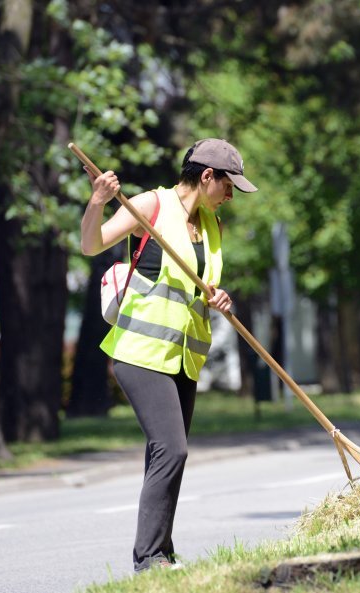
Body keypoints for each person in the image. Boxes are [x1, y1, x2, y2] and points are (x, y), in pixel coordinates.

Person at [80, 139, 258, 571]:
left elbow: (200, 285)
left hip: (183, 357)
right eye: (229, 185)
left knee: (164, 455)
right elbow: (92, 244)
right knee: (172, 450)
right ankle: (148, 559)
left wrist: (220, 299)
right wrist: (97, 202)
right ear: (207, 176)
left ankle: (162, 551)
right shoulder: (150, 206)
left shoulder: (211, 225)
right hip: (141, 351)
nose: (232, 195)